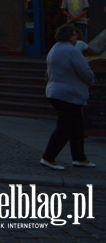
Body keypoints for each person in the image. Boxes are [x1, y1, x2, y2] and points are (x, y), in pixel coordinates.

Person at [40, 25, 96, 170]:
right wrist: (91, 80)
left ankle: (80, 157)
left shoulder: (54, 49)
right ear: (70, 36)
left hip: (55, 91)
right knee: (66, 127)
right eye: (74, 35)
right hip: (69, 94)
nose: (76, 37)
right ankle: (48, 157)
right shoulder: (72, 51)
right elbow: (85, 71)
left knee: (77, 126)